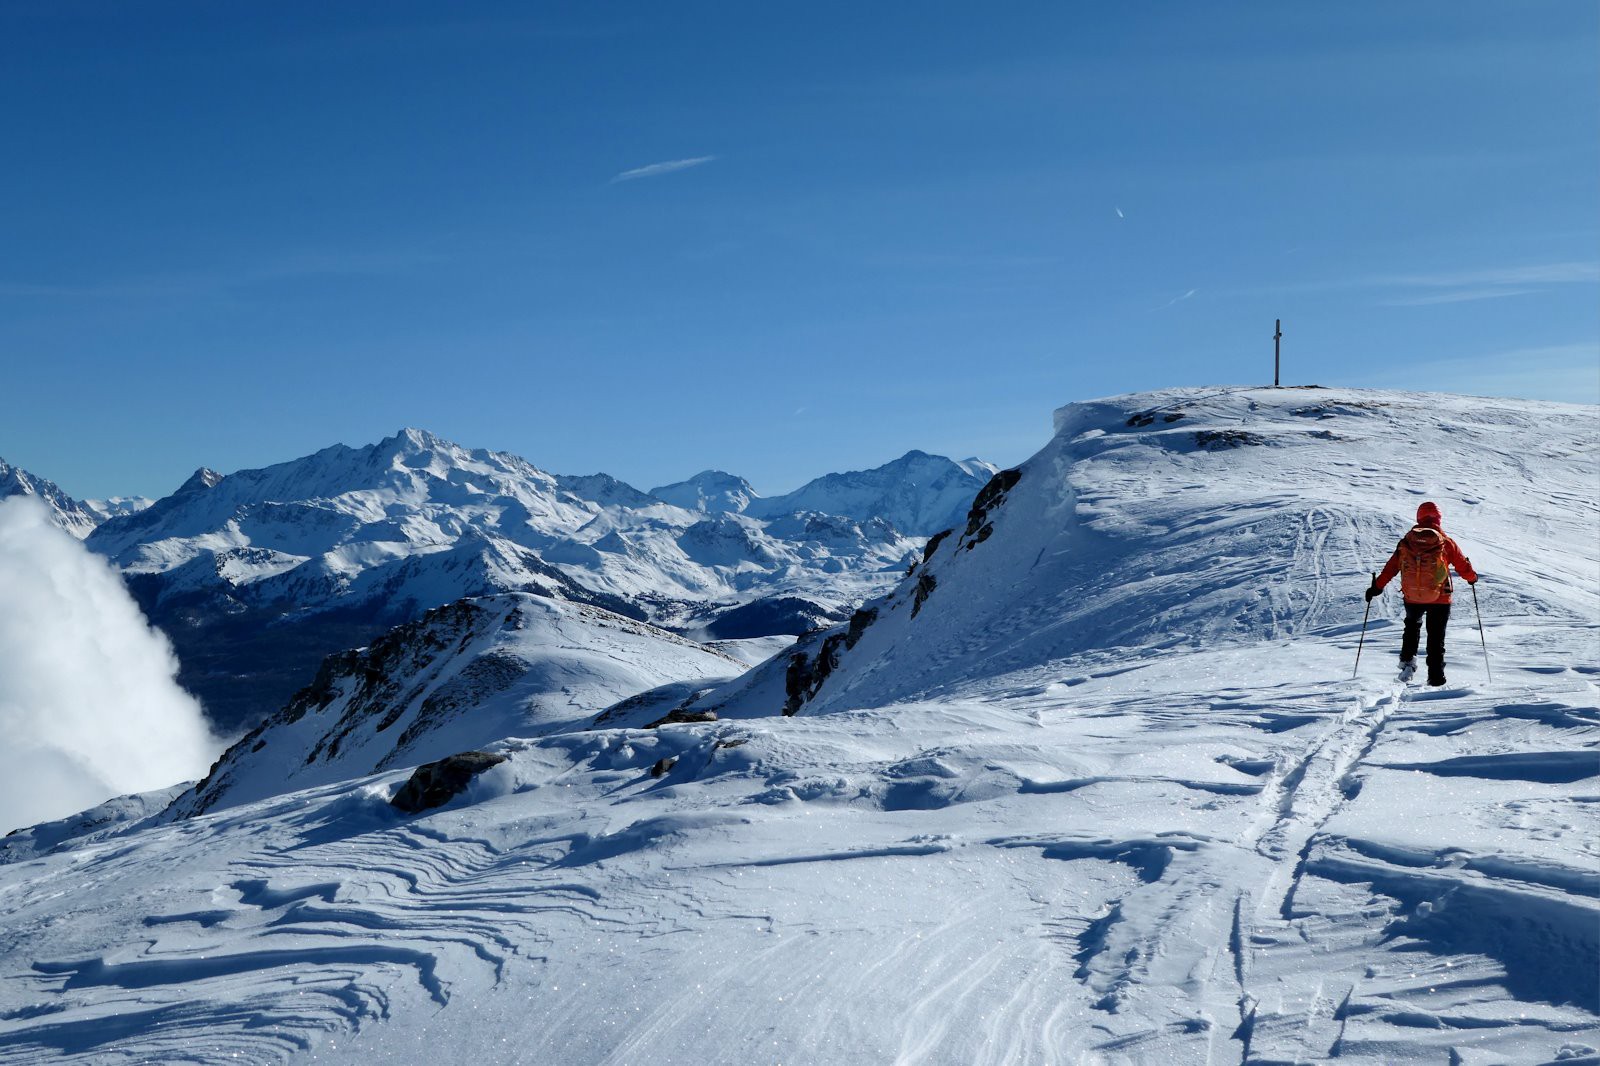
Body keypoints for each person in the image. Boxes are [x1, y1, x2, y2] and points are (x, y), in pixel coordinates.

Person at [1366, 501, 1478, 686]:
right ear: (1438, 519)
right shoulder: (1445, 542)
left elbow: (1391, 568)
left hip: (1413, 597)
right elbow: (1462, 565)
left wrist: (1376, 588)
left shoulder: (1407, 542)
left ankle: (1407, 664)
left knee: (1412, 626)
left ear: (1419, 517)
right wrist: (1472, 578)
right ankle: (1436, 677)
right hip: (1440, 597)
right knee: (1436, 636)